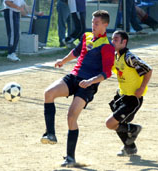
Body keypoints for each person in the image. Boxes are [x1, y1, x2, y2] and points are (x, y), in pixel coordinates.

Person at [40, 10, 115, 167]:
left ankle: (70, 158)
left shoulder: (107, 47)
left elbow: (107, 72)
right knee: (49, 93)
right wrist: (63, 60)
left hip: (88, 85)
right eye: (92, 22)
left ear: (105, 25)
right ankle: (51, 134)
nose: (93, 25)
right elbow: (76, 52)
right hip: (74, 77)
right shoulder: (86, 36)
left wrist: (91, 81)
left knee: (71, 116)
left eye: (96, 23)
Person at [105, 30, 152, 156]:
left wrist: (142, 88)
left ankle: (135, 129)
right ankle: (130, 147)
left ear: (124, 42)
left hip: (133, 98)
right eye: (112, 39)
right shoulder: (116, 56)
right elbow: (113, 70)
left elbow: (148, 70)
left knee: (111, 123)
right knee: (118, 123)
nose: (112, 42)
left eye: (116, 39)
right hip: (121, 96)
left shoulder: (129, 57)